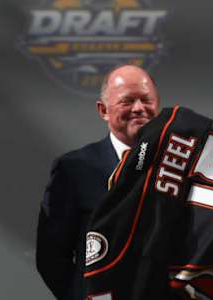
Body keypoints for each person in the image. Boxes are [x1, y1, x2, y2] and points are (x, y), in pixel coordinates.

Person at [36, 65, 160, 300]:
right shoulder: (74, 169)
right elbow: (51, 256)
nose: (139, 108)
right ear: (103, 110)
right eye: (127, 101)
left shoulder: (180, 164)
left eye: (146, 100)